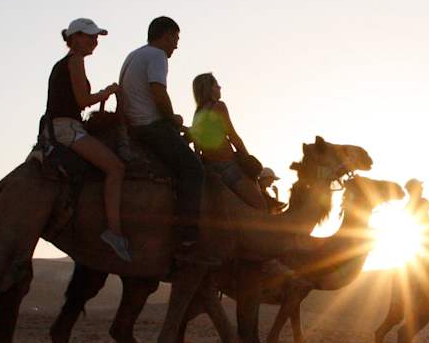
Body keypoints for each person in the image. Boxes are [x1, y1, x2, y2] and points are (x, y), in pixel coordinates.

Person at [46, 18, 131, 261]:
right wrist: (109, 92)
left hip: (61, 127)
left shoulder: (69, 62)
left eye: (96, 37)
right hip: (67, 129)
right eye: (90, 36)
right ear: (76, 39)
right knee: (116, 168)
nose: (95, 41)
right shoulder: (75, 61)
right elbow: (83, 101)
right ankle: (114, 232)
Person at [118, 16, 205, 250]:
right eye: (175, 38)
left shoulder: (134, 55)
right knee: (194, 170)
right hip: (151, 126)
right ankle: (186, 236)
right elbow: (158, 92)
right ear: (165, 35)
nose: (176, 45)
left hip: (134, 124)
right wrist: (172, 117)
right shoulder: (157, 56)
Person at [190, 72, 266, 209]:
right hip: (228, 167)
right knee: (260, 206)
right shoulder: (218, 106)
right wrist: (247, 158)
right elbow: (233, 136)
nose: (220, 87)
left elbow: (197, 146)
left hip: (210, 169)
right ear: (210, 88)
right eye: (216, 85)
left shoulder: (198, 114)